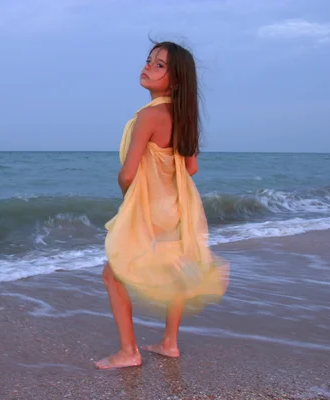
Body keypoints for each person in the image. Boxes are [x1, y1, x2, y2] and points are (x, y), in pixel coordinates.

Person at [95, 41, 229, 370]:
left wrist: (131, 199)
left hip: (150, 209)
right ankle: (169, 343)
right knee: (177, 271)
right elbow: (191, 168)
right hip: (177, 206)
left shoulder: (150, 115)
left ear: (177, 79)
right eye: (149, 60)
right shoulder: (183, 117)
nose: (148, 67)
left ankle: (129, 351)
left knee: (112, 275)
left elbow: (127, 172)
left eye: (159, 66)